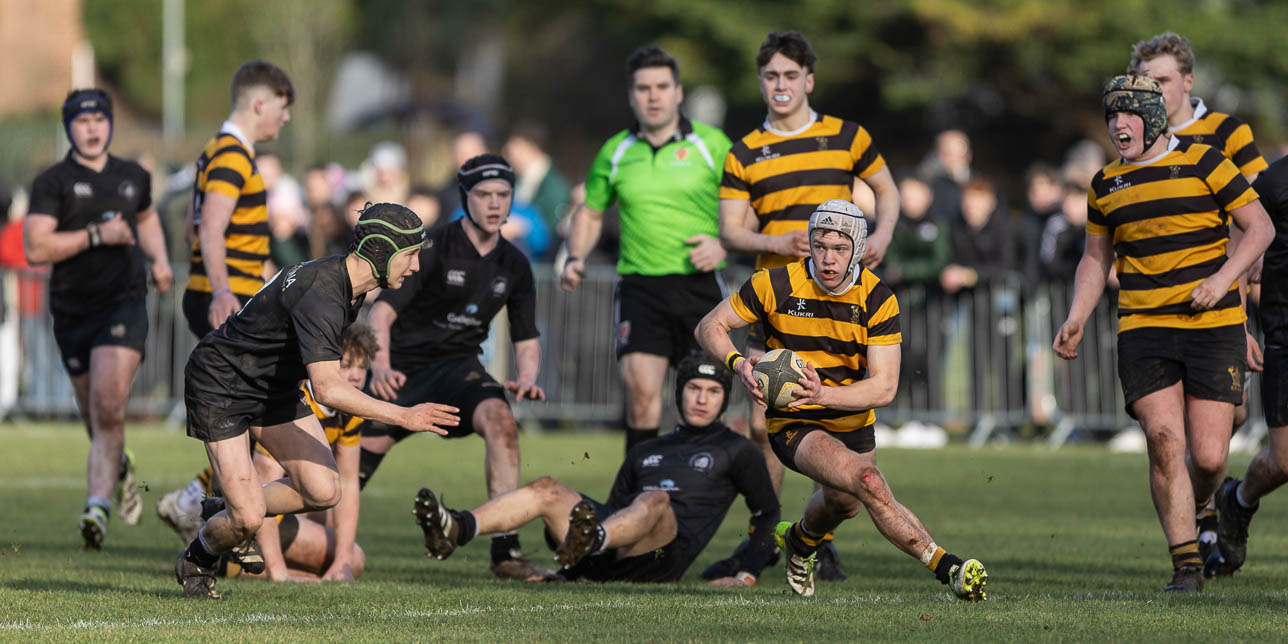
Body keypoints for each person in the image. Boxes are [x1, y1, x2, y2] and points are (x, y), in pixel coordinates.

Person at [697, 200, 987, 600]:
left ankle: (801, 541)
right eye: (819, 245)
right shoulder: (773, 283)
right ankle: (948, 567)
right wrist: (737, 363)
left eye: (839, 248)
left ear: (857, 248)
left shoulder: (878, 297)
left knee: (844, 502)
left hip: (851, 417)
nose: (828, 258)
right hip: (794, 420)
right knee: (868, 481)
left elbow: (883, 388)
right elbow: (709, 325)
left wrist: (824, 393)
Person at [1053, 75, 1273, 592]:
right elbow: (1094, 259)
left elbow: (1259, 226)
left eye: (1127, 114)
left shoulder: (1206, 162)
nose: (1117, 125)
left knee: (1211, 456)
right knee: (1163, 438)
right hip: (1143, 326)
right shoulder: (1105, 183)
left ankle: (1206, 503)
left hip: (1213, 325)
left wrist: (1222, 281)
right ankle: (1187, 566)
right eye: (1111, 116)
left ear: (1152, 118)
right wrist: (1077, 316)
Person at [175, 203, 459, 599]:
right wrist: (403, 415)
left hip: (271, 386)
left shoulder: (347, 284)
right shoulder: (323, 293)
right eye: (410, 255)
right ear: (381, 251)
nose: (414, 267)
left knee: (325, 489)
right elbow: (326, 389)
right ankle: (198, 556)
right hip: (221, 384)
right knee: (248, 517)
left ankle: (226, 506)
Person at [715, 30, 900, 580]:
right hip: (773, 306)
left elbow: (887, 191)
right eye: (770, 76)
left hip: (839, 310)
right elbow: (729, 232)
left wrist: (883, 235)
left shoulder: (847, 136)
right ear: (761, 81)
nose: (780, 85)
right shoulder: (744, 151)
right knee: (760, 425)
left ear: (808, 80)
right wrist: (776, 244)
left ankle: (817, 536)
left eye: (790, 76)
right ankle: (766, 536)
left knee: (833, 418)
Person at [413, 352, 780, 585]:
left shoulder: (737, 449)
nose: (701, 399)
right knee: (546, 488)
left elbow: (767, 514)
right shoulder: (647, 449)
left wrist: (746, 575)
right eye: (693, 388)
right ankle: (457, 528)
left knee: (655, 499)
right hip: (610, 544)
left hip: (661, 557)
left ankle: (591, 543)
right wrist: (566, 574)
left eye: (712, 391)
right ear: (679, 392)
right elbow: (614, 507)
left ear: (723, 399)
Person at [361, 154, 549, 581]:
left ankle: (507, 552)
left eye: (504, 195)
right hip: (402, 371)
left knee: (501, 421)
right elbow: (382, 315)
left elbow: (526, 334)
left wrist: (528, 377)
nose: (495, 203)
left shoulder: (514, 264)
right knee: (341, 480)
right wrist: (382, 367)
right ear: (466, 198)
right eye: (485, 194)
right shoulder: (432, 247)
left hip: (458, 369)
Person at [1129, 31, 1270, 559]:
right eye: (1147, 83)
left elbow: (1262, 214)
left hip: (1230, 295)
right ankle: (1197, 529)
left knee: (1227, 421)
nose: (1156, 92)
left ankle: (1211, 499)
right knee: (1176, 431)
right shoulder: (1136, 140)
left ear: (1187, 81)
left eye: (1163, 81)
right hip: (1161, 311)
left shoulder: (1226, 133)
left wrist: (1246, 298)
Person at [560, 45, 733, 452]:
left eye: (661, 86)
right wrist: (575, 258)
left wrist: (722, 243)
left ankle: (698, 495)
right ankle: (639, 498)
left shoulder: (713, 145)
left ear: (678, 92)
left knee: (706, 400)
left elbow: (753, 208)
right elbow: (590, 213)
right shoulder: (616, 151)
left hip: (699, 287)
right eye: (643, 88)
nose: (653, 96)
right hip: (640, 288)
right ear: (631, 95)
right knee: (641, 400)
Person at [22, 88, 174, 550]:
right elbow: (35, 248)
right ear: (69, 127)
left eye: (99, 120)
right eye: (82, 121)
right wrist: (94, 234)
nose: (92, 129)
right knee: (96, 414)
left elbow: (146, 217)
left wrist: (162, 260)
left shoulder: (133, 176)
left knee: (109, 403)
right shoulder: (52, 182)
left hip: (123, 303)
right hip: (71, 310)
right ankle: (119, 465)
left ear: (110, 124)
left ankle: (97, 507)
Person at [246, 323, 379, 582]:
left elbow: (350, 482)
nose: (355, 375)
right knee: (358, 555)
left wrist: (343, 562)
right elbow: (264, 476)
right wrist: (277, 570)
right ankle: (262, 565)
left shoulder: (349, 415)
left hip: (277, 515)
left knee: (349, 554)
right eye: (347, 364)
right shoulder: (294, 400)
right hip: (253, 514)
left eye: (362, 367)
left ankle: (250, 569)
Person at [1210, 154, 1288, 577]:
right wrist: (1239, 327)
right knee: (1284, 463)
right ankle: (1238, 500)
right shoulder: (1274, 181)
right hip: (1284, 336)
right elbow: (1240, 250)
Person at [183, 59, 293, 340]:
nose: (286, 117)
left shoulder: (214, 149)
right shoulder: (233, 156)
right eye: (282, 107)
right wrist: (221, 292)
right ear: (259, 105)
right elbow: (209, 227)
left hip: (218, 293)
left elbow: (190, 231)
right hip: (228, 298)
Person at [503, 121, 572, 233]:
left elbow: (552, 228)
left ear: (532, 147)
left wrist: (523, 228)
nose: (507, 151)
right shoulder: (516, 180)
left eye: (514, 145)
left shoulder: (555, 187)